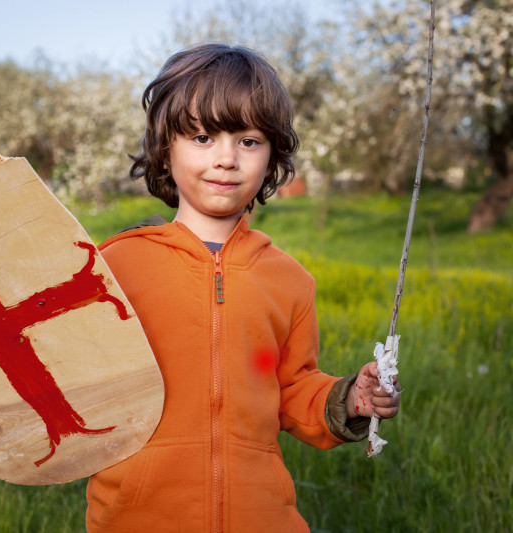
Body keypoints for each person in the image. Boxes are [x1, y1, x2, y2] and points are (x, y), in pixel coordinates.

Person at [85, 44, 401, 532]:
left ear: (273, 154)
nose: (227, 159)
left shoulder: (290, 281)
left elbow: (293, 388)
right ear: (165, 149)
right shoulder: (114, 268)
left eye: (249, 140)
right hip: (138, 517)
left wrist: (350, 400)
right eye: (203, 137)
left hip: (262, 518)